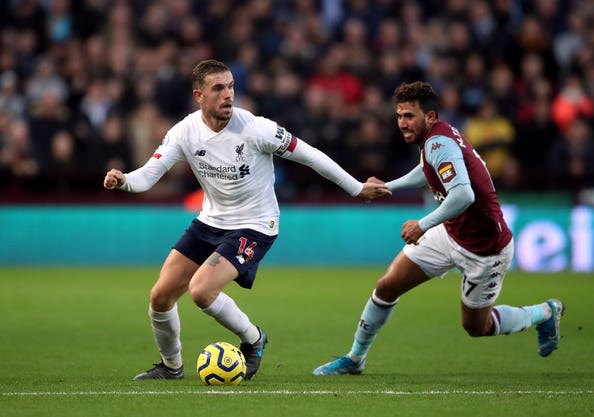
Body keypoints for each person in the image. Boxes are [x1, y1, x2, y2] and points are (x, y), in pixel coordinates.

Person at [103, 59, 390, 380]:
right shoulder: (184, 132)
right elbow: (148, 176)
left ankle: (254, 339)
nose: (228, 95)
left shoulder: (256, 128)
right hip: (210, 221)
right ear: (199, 95)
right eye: (218, 88)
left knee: (201, 291)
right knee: (160, 296)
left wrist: (356, 188)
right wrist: (124, 180)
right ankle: (172, 368)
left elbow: (310, 155)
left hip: (255, 224)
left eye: (231, 87)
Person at [312, 81, 564, 376]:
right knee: (387, 286)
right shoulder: (435, 139)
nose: (402, 123)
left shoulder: (438, 142)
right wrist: (386, 187)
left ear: (430, 117)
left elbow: (463, 195)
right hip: (450, 231)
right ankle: (355, 358)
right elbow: (426, 170)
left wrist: (422, 224)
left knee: (476, 327)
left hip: (485, 249)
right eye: (399, 116)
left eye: (409, 116)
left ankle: (544, 312)